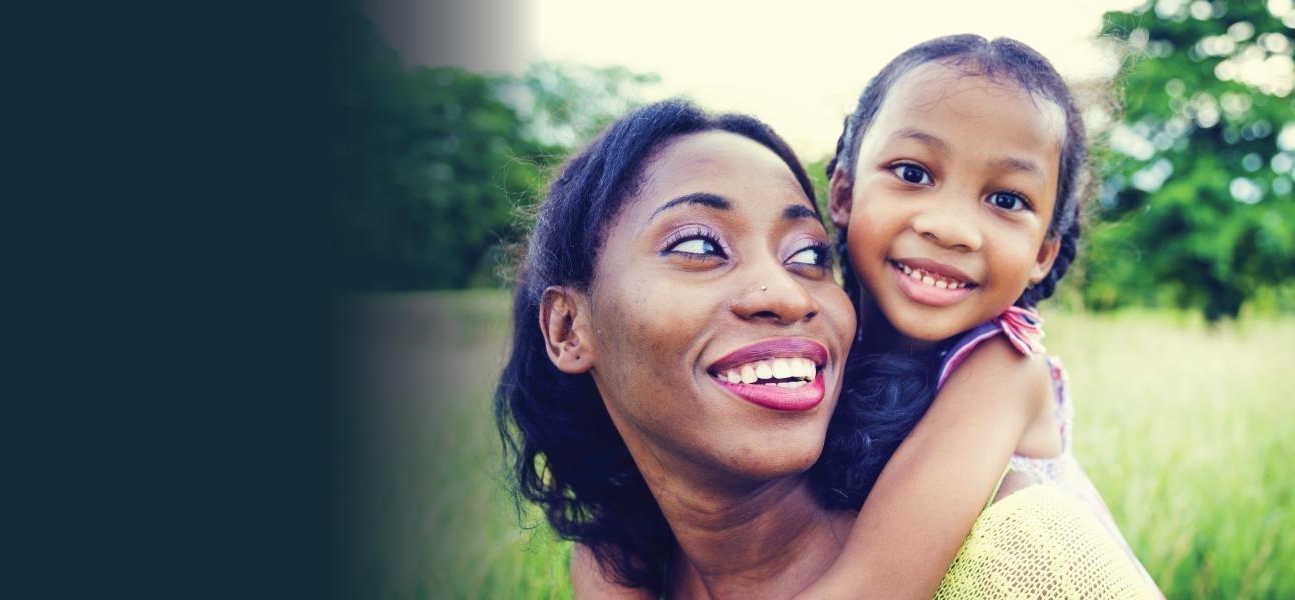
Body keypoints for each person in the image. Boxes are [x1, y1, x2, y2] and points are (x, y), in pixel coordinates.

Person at [571, 35, 1162, 598]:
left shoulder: (1004, 368)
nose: (949, 227)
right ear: (845, 194)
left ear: (1042, 253)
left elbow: (874, 589)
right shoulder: (806, 339)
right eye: (913, 173)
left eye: (1006, 200)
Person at [495, 98, 858, 599]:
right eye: (699, 248)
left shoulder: (994, 564)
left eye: (809, 254)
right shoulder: (625, 564)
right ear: (567, 328)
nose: (788, 294)